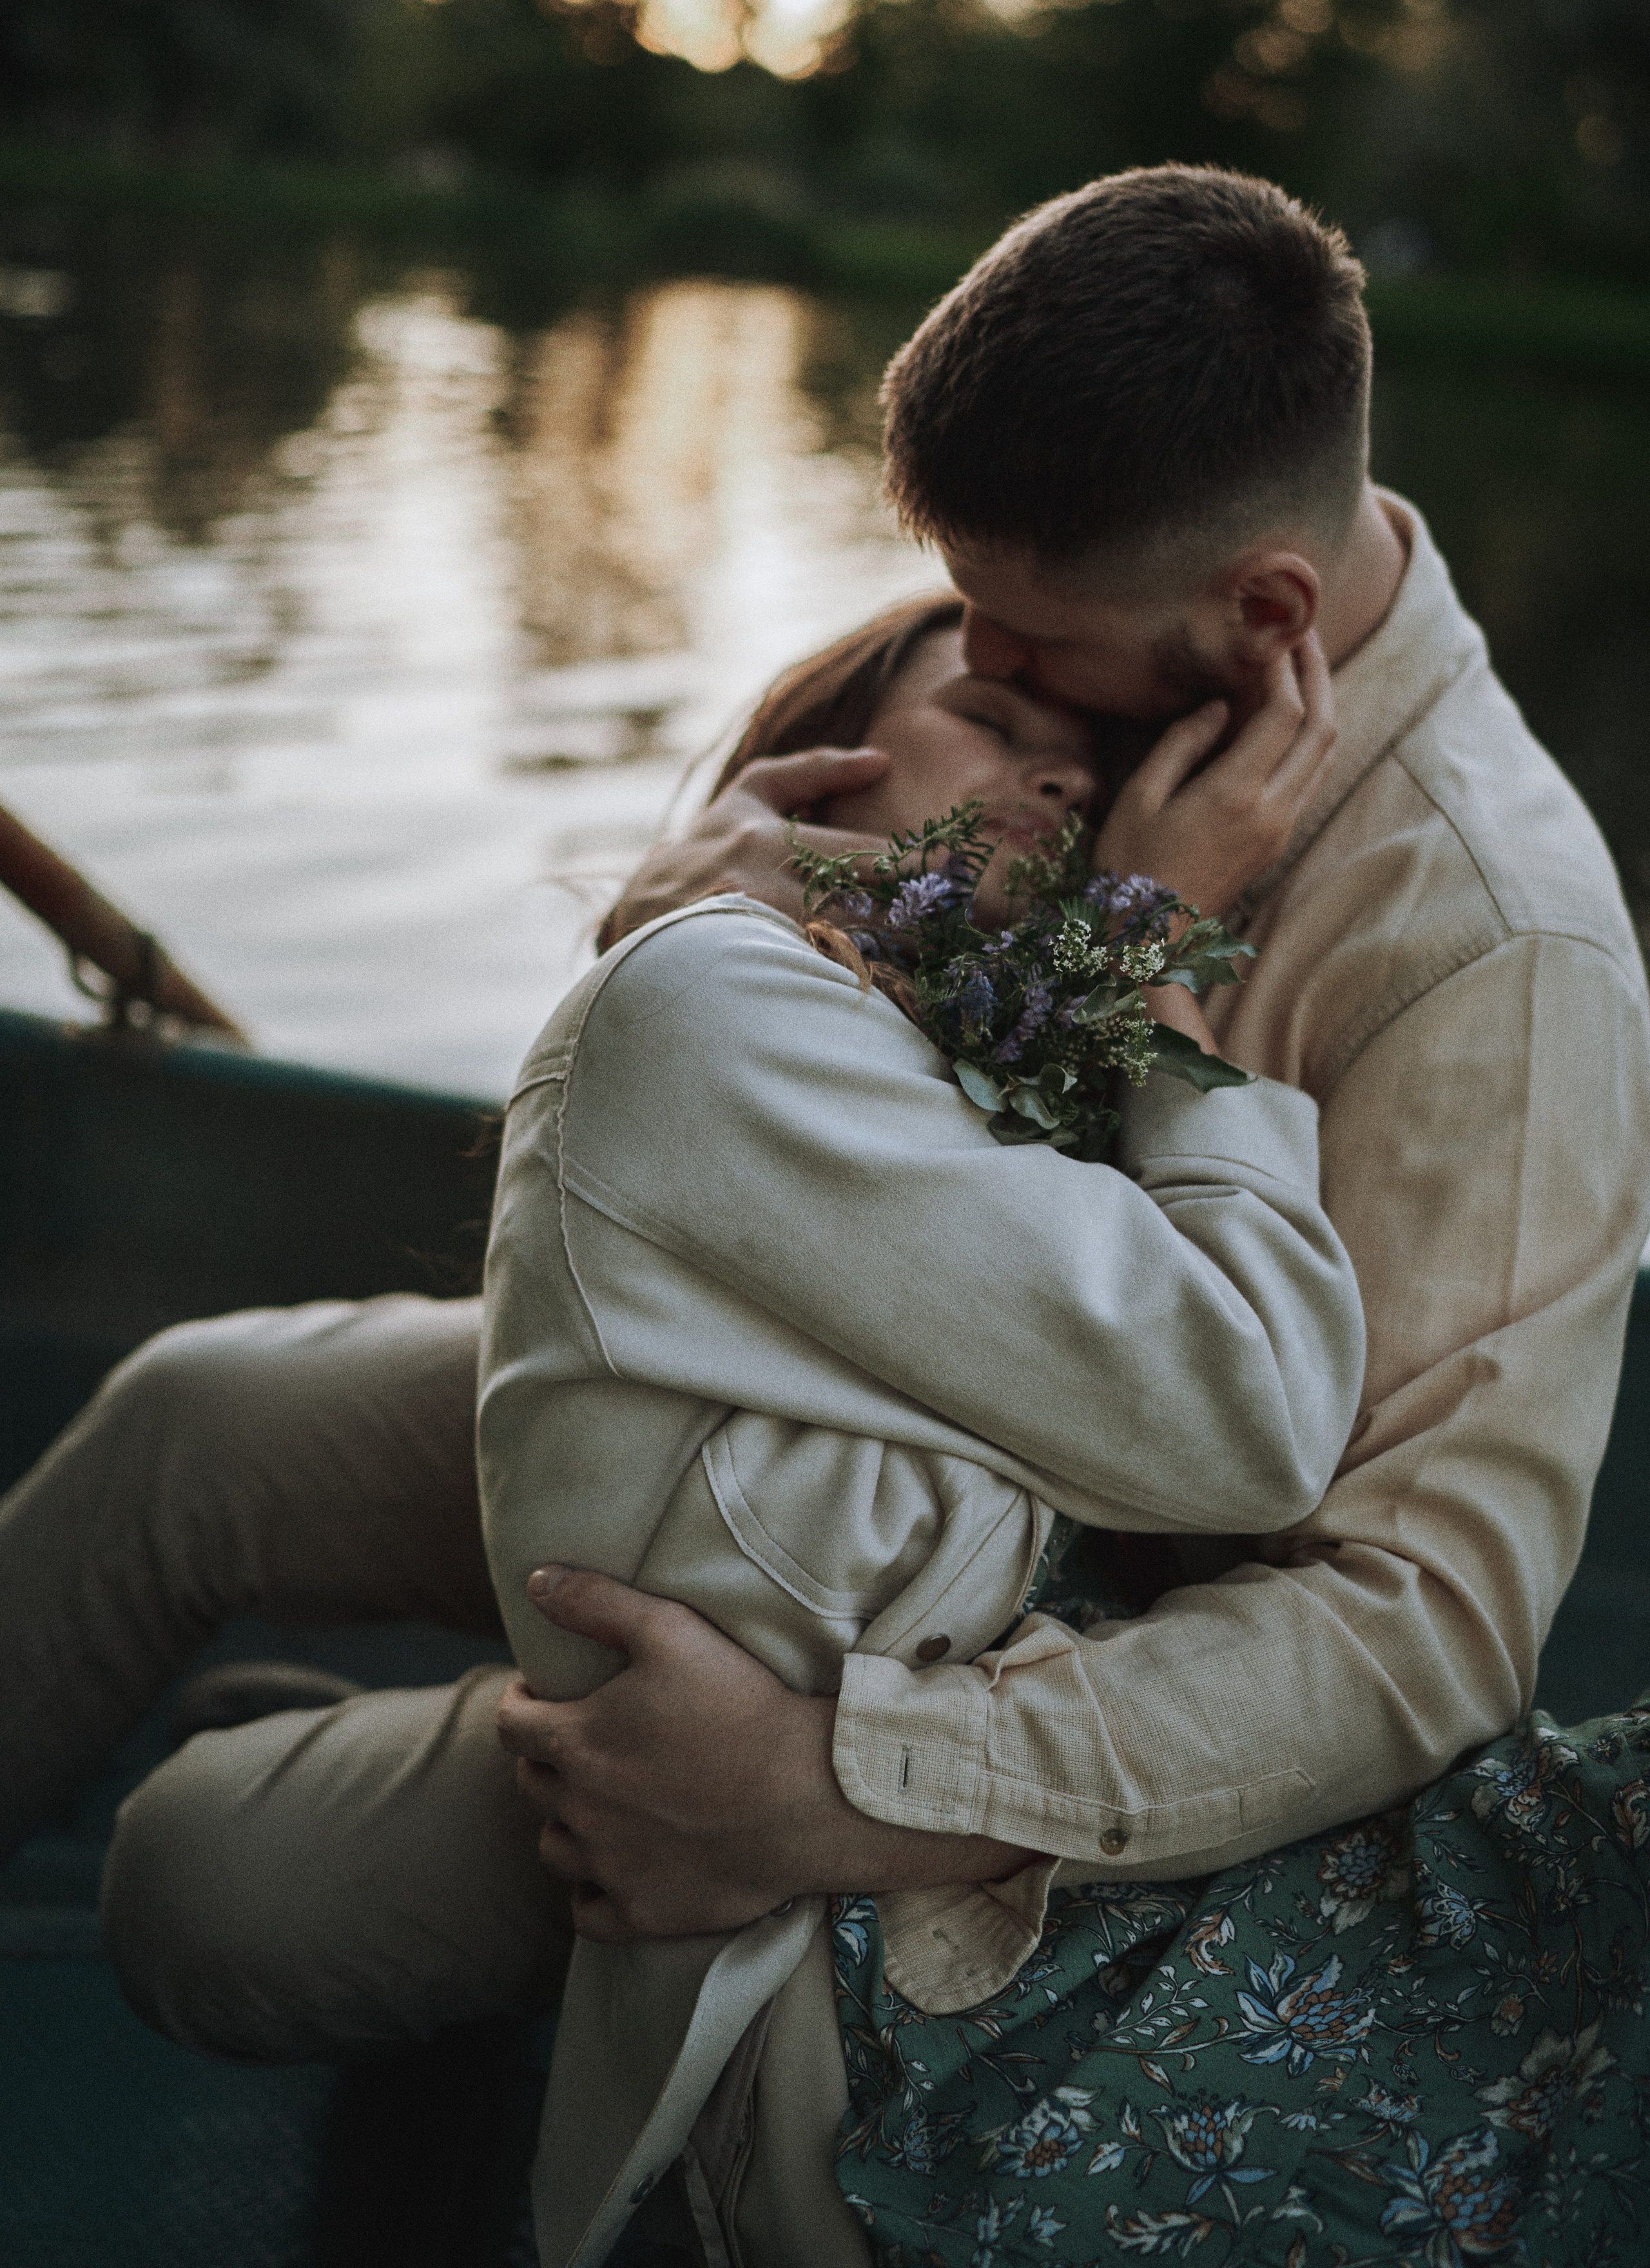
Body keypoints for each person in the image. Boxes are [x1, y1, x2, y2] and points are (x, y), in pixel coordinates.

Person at [490, 166, 1650, 2254]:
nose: (971, 661)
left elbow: (1432, 1623)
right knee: (214, 1432)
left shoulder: (1493, 945)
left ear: (1267, 616)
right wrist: (689, 898)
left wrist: (839, 1783)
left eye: (1028, 641)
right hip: (826, 1412)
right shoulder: (1109, 689)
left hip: (986, 1615)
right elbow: (779, 1134)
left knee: (231, 1892)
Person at [474, 596, 1361, 2262]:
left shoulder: (968, 1098)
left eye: (1095, 779)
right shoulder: (717, 1004)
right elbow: (1257, 1408)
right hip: (830, 2001)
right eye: (991, 726)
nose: (1058, 787)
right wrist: (1148, 950)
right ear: (812, 776)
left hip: (953, 1876)